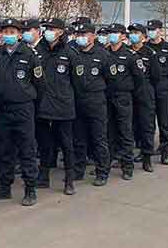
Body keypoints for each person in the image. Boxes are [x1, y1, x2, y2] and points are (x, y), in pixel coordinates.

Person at [0, 18, 43, 206]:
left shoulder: (29, 54)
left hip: (23, 108)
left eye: (12, 32)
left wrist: (29, 101)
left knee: (27, 150)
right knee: (5, 150)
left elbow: (39, 84)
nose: (8, 35)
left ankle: (30, 189)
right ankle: (5, 188)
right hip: (3, 109)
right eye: (5, 32)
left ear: (19, 35)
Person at [34, 17, 78, 195]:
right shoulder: (38, 50)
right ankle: (43, 176)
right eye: (47, 28)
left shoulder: (70, 53)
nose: (48, 32)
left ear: (60, 31)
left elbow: (77, 82)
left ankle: (69, 180)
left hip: (63, 106)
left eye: (52, 29)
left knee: (66, 144)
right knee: (44, 143)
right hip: (43, 105)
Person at [71, 23, 111, 186]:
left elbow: (111, 80)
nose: (80, 37)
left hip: (96, 100)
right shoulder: (73, 53)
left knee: (99, 138)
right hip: (78, 100)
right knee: (78, 138)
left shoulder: (103, 55)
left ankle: (102, 172)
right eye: (78, 34)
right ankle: (78, 170)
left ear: (93, 36)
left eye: (84, 34)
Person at [105, 23, 143, 180]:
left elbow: (139, 79)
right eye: (110, 32)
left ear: (122, 36)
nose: (111, 35)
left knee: (125, 132)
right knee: (108, 132)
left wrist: (127, 90)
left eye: (115, 32)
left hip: (123, 97)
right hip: (106, 96)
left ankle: (127, 166)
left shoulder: (130, 55)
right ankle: (106, 164)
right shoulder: (104, 53)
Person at [128, 23, 160, 173]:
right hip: (129, 91)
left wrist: (146, 87)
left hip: (145, 90)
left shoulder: (150, 53)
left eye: (136, 32)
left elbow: (156, 76)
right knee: (128, 126)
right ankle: (125, 157)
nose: (133, 35)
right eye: (131, 32)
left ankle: (146, 157)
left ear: (143, 36)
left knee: (146, 125)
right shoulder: (126, 51)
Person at [146, 19, 168, 165]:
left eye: (153, 29)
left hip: (163, 85)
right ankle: (146, 153)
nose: (150, 32)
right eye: (149, 29)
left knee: (164, 122)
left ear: (160, 31)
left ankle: (165, 153)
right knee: (148, 123)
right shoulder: (144, 47)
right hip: (148, 85)